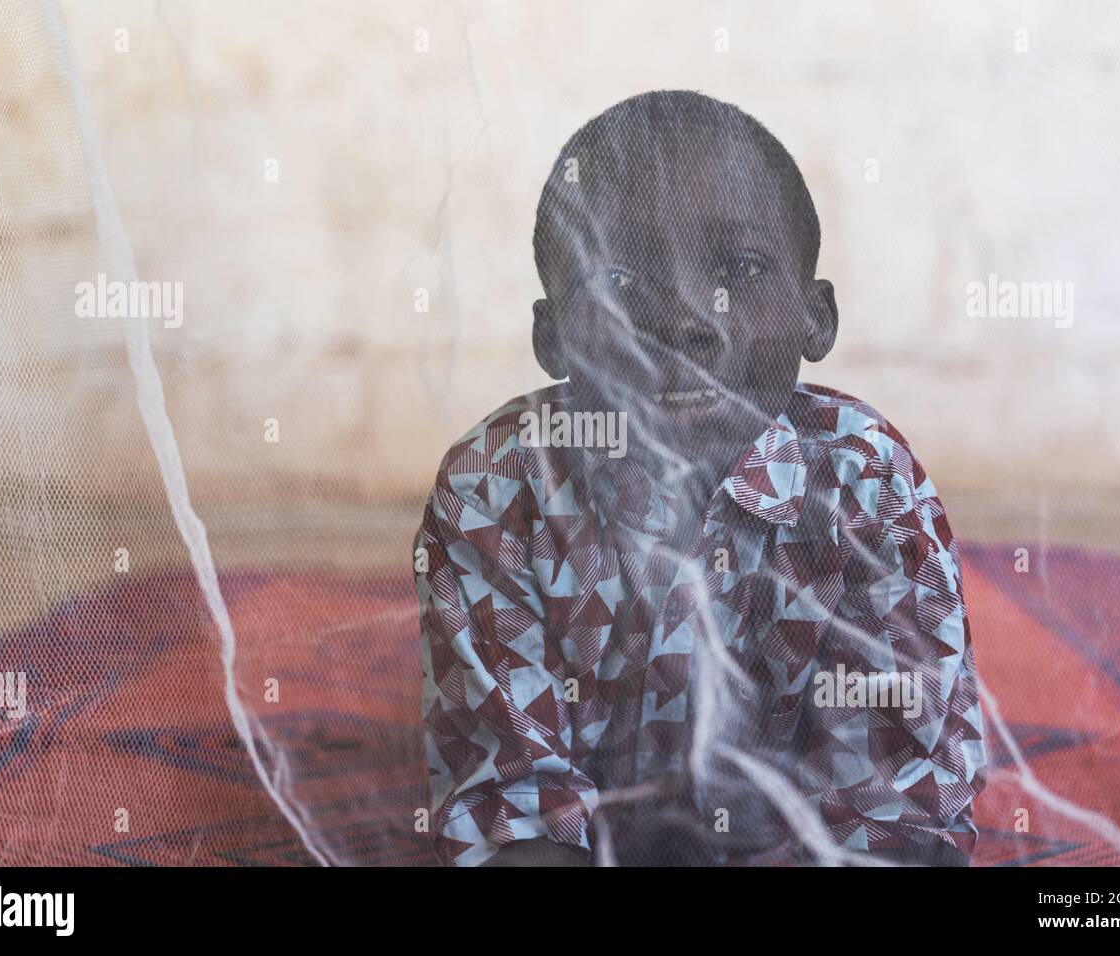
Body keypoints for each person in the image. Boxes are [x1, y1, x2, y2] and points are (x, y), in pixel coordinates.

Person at [414, 90, 986, 866]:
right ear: (551, 339)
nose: (683, 320)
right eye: (616, 283)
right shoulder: (497, 488)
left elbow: (893, 812)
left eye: (740, 268)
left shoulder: (865, 485)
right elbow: (509, 810)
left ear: (814, 318)